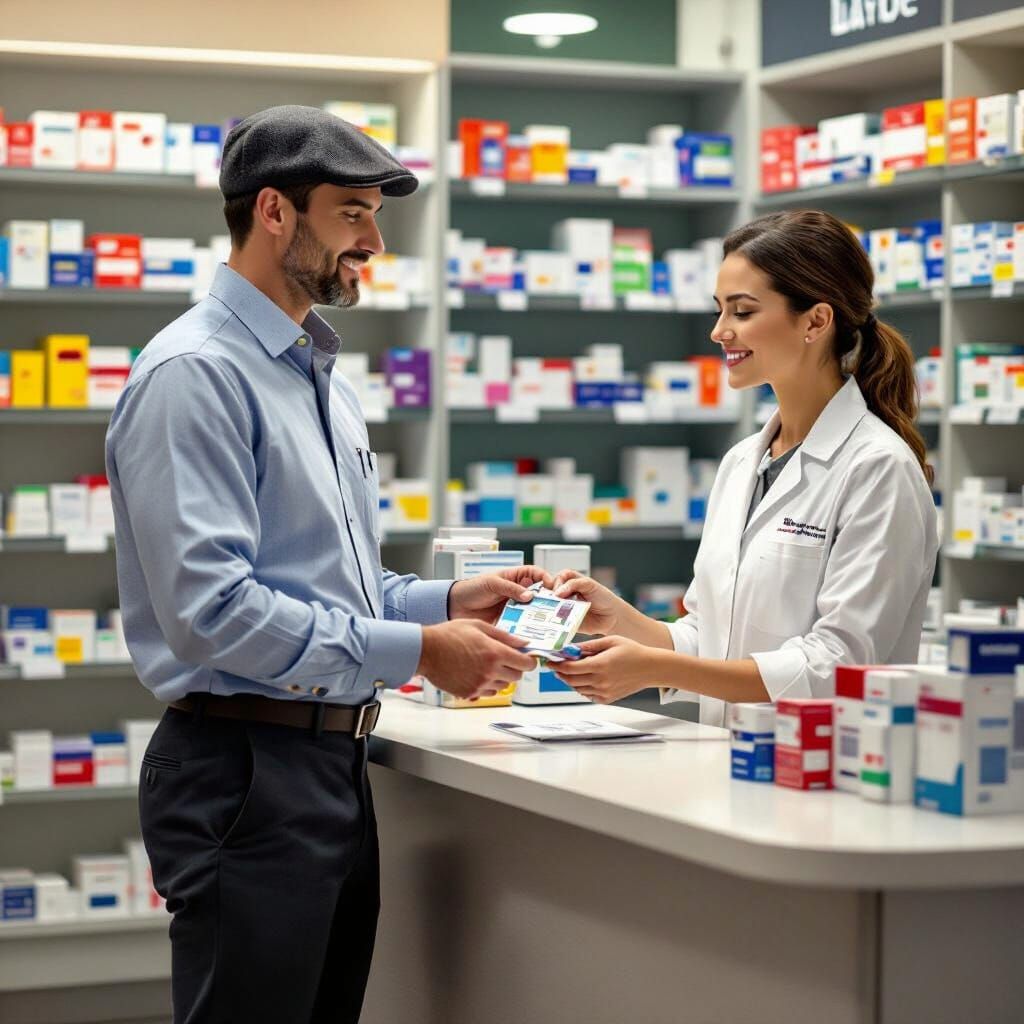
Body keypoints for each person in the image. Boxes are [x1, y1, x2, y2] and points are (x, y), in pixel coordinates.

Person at [105, 105, 549, 1024]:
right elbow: (215, 612)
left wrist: (445, 599)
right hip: (243, 769)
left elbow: (330, 587)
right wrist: (420, 651)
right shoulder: (196, 374)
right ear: (275, 212)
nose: (374, 242)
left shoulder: (316, 376)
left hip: (325, 770)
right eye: (353, 212)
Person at [551, 209, 938, 727]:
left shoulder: (878, 468)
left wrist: (655, 668)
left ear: (816, 321)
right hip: (731, 765)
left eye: (742, 312)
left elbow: (838, 665)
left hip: (832, 772)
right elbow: (711, 636)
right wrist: (622, 620)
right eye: (719, 310)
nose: (718, 332)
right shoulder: (742, 463)